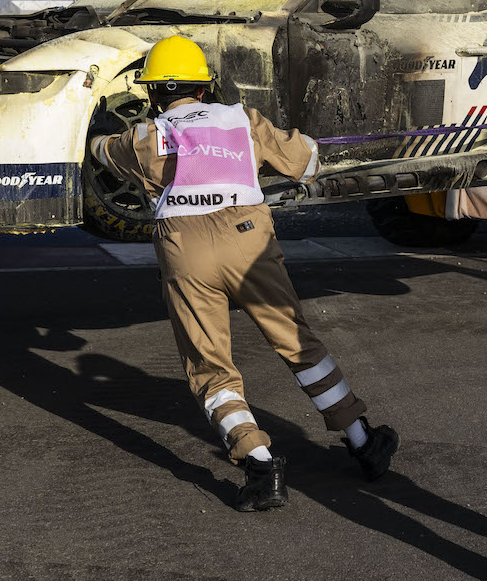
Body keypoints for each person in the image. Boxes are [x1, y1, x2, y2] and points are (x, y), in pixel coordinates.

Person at [89, 35, 397, 511]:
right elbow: (307, 163)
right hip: (247, 236)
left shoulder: (144, 138)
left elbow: (102, 152)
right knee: (298, 342)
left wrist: (100, 134)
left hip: (184, 247)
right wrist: (302, 145)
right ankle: (361, 440)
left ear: (153, 94)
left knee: (210, 366)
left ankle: (259, 463)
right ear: (205, 87)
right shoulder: (243, 119)